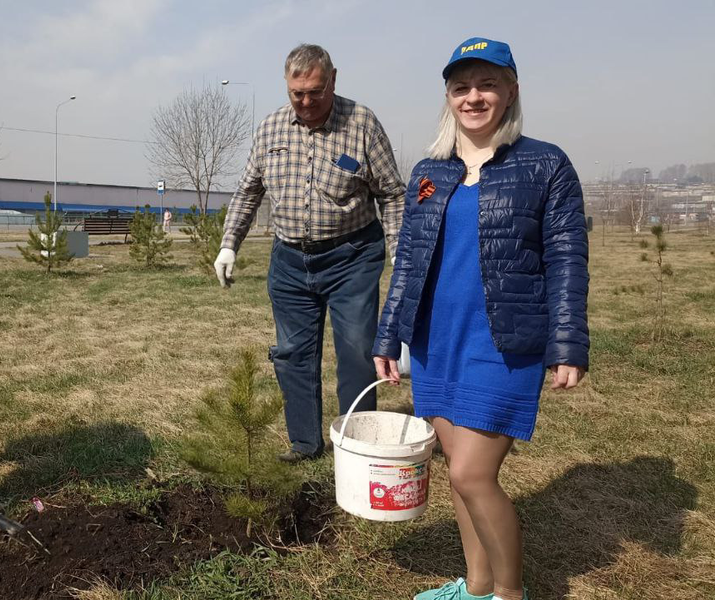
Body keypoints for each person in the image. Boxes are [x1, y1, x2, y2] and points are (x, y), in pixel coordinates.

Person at [372, 38, 589, 600]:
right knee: (456, 474)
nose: (474, 96)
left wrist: (567, 342)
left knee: (472, 474)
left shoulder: (545, 164)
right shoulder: (428, 171)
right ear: (448, 97)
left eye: (487, 83)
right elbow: (409, 260)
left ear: (511, 89)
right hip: (434, 340)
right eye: (461, 86)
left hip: (503, 339)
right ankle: (475, 588)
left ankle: (509, 595)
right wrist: (389, 332)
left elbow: (567, 257)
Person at [215, 43, 405, 463]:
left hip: (352, 257)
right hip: (289, 261)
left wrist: (399, 249)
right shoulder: (270, 129)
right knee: (292, 352)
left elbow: (392, 194)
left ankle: (358, 441)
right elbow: (248, 192)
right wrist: (229, 244)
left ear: (333, 79)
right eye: (296, 94)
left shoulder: (362, 124)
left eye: (315, 92)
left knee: (357, 350)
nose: (305, 102)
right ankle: (304, 442)